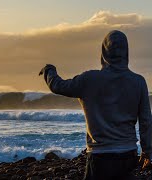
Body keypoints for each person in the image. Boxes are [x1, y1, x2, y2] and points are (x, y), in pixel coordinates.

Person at [39, 30, 152, 179]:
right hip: (128, 154)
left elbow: (59, 86)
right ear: (126, 52)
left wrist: (49, 71)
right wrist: (147, 151)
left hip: (99, 157)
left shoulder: (89, 79)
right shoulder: (138, 82)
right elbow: (146, 121)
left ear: (104, 51)